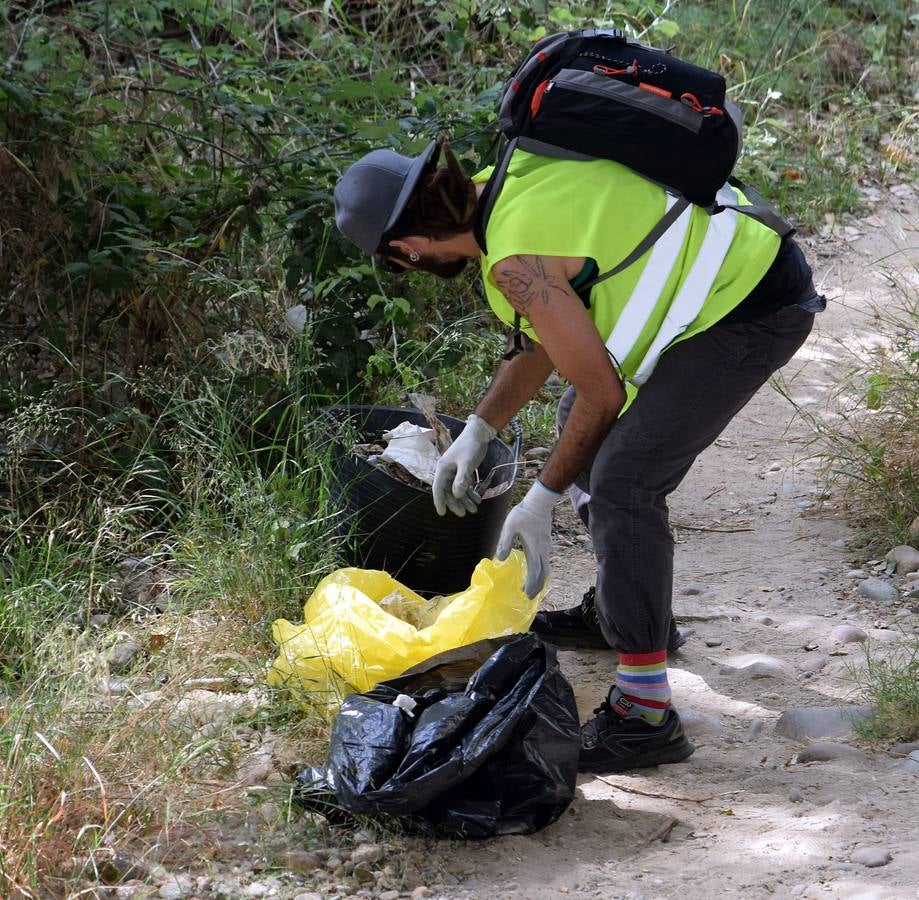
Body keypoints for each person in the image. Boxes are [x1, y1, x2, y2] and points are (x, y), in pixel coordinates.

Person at [333, 136, 824, 773]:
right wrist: (478, 428)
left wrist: (541, 499)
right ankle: (625, 609)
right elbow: (544, 337)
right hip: (738, 262)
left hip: (753, 305)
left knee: (625, 481)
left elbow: (603, 390)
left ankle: (644, 715)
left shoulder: (510, 256)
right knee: (576, 425)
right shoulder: (502, 186)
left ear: (407, 249)